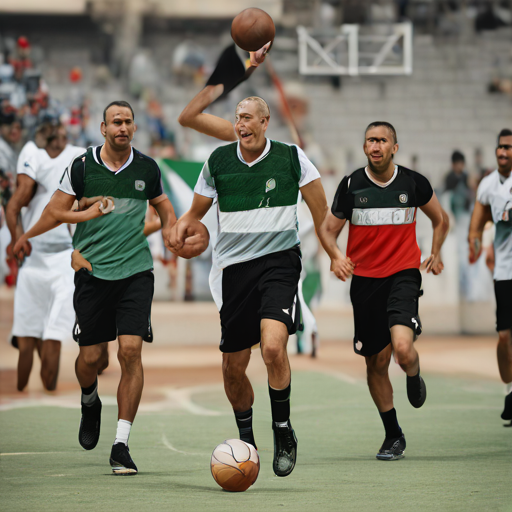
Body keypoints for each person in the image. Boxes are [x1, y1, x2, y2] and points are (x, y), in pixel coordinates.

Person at [175, 72, 329, 475]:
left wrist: (332, 252)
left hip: (279, 263)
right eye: (237, 117)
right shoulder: (217, 161)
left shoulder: (292, 156)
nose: (241, 123)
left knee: (274, 347)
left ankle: (283, 430)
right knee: (233, 368)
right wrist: (180, 233)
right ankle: (247, 440)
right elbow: (192, 216)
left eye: (248, 117)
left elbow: (322, 214)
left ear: (265, 123)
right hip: (233, 271)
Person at [14, 100, 178, 475]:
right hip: (92, 273)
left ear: (135, 128)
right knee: (90, 361)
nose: (122, 127)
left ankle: (121, 444)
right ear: (102, 128)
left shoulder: (147, 168)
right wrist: (26, 236)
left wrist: (170, 227)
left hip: (136, 272)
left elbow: (163, 205)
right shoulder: (82, 167)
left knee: (130, 351)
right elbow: (54, 212)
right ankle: (90, 400)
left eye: (128, 122)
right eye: (115, 122)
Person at [318, 121, 449, 461]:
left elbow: (441, 219)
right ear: (364, 147)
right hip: (364, 283)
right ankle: (393, 434)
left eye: (382, 140)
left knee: (402, 350)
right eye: (370, 140)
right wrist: (336, 257)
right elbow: (328, 230)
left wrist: (436, 251)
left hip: (403, 274)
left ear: (395, 147)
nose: (375, 146)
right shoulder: (350, 186)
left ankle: (413, 371)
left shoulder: (413, 182)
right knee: (376, 362)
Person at [6, 123, 84, 392]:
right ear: (44, 139)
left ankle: (47, 389)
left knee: (53, 334)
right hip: (33, 257)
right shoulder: (32, 153)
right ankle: (21, 394)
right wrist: (18, 237)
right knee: (26, 341)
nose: (60, 139)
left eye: (63, 135)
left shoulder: (78, 155)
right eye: (55, 136)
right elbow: (15, 202)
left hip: (63, 257)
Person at [468, 128, 512, 425]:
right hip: (505, 271)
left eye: (508, 148)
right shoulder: (488, 185)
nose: (503, 152)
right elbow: (478, 218)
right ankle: (509, 389)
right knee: (504, 336)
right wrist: (473, 240)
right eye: (500, 147)